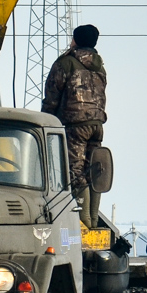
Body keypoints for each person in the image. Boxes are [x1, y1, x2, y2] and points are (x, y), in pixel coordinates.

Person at [41, 24, 106, 228]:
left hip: (75, 124)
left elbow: (52, 94)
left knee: (75, 172)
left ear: (75, 40)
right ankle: (94, 222)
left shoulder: (66, 63)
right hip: (97, 124)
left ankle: (84, 223)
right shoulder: (99, 66)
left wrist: (46, 121)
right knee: (94, 171)